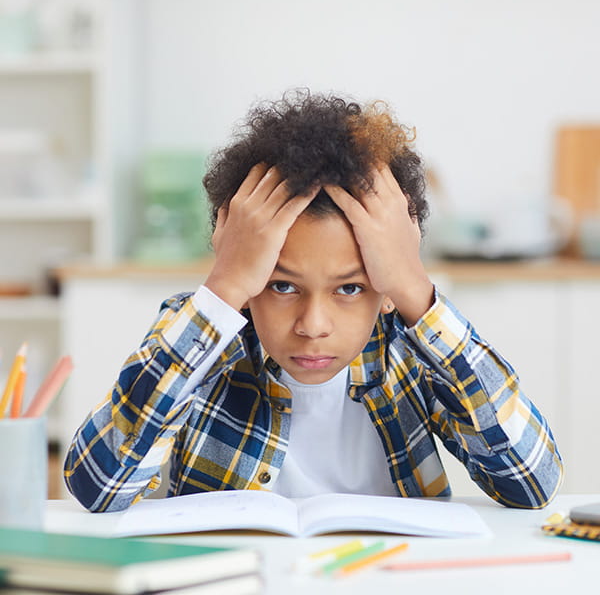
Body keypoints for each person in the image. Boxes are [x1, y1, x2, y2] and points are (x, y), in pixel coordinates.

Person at [64, 91, 562, 512]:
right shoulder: (200, 335)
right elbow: (99, 487)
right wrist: (223, 289)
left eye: (350, 288)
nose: (313, 325)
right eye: (282, 286)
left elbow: (531, 482)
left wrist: (413, 289)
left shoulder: (409, 350)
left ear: (385, 289)